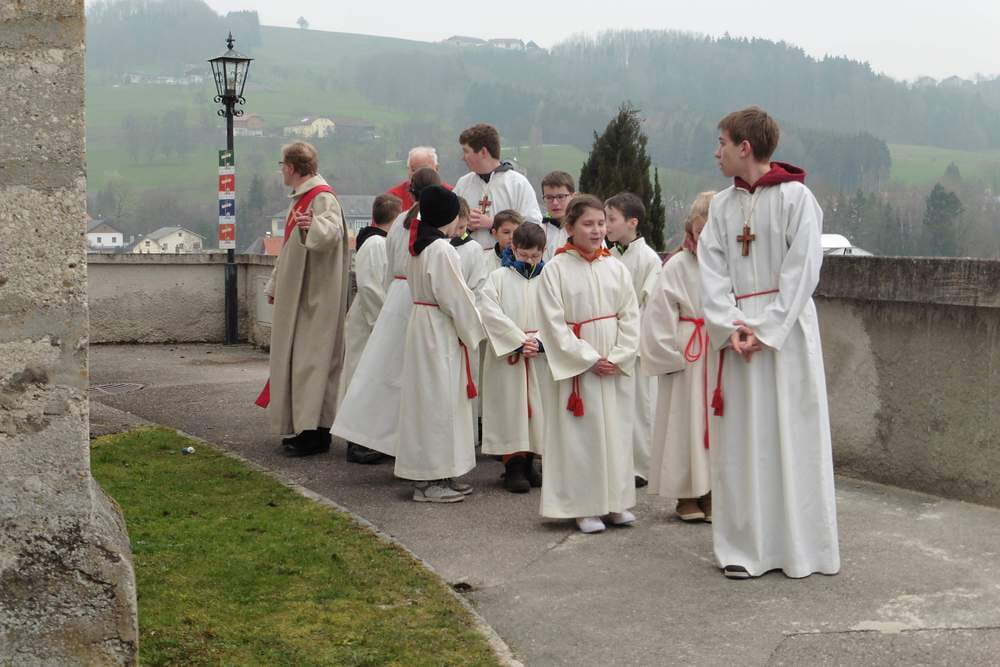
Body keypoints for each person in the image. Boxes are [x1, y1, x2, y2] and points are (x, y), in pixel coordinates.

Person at [699, 106, 839, 579]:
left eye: (721, 143)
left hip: (786, 336)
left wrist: (767, 329)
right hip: (738, 337)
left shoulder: (798, 198)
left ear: (745, 147)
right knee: (743, 444)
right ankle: (744, 548)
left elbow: (804, 270)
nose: (716, 152)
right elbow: (711, 271)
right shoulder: (721, 206)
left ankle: (802, 548)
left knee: (793, 437)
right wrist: (730, 325)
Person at [536, 194, 640, 533]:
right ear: (569, 227)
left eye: (601, 223)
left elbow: (630, 315)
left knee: (616, 434)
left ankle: (616, 502)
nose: (597, 230)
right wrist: (589, 358)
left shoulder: (616, 267)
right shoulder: (555, 270)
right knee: (582, 438)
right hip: (581, 367)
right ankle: (584, 506)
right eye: (588, 224)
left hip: (613, 363)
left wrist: (620, 355)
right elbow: (553, 325)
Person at [332, 168, 443, 458]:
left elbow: (389, 271)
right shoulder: (424, 225)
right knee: (378, 377)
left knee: (386, 377)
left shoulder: (400, 224)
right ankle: (364, 439)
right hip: (411, 299)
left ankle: (385, 438)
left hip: (397, 296)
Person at [258, 141, 349, 457]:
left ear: (291, 167)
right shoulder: (301, 197)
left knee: (313, 362)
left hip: (316, 295)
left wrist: (316, 226)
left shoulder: (321, 197)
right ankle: (304, 428)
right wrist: (275, 286)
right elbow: (288, 248)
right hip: (301, 293)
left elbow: (332, 233)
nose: (281, 171)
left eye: (282, 165)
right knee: (302, 362)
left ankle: (316, 432)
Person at [395, 185, 485, 502]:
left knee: (433, 400)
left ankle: (443, 471)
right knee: (437, 402)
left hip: (424, 325)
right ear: (449, 216)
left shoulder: (418, 245)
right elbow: (455, 298)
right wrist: (473, 329)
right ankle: (429, 479)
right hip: (438, 329)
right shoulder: (442, 250)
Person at [640, 192, 716, 522]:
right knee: (685, 422)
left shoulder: (730, 267)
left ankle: (714, 491)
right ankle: (686, 494)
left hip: (720, 351)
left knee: (717, 423)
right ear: (691, 229)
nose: (704, 239)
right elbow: (658, 312)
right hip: (688, 352)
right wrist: (669, 355)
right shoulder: (677, 265)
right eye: (699, 232)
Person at [478, 223, 551, 493]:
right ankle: (513, 466)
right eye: (524, 255)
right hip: (509, 355)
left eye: (535, 256)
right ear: (514, 249)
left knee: (538, 409)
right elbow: (489, 312)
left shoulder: (550, 279)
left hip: (538, 355)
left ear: (543, 251)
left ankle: (530, 461)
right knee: (511, 409)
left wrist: (540, 341)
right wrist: (518, 341)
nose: (530, 261)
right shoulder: (498, 277)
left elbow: (559, 314)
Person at [338, 193, 402, 464]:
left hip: (374, 321)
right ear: (395, 218)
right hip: (369, 323)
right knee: (362, 381)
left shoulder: (380, 243)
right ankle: (358, 443)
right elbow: (370, 287)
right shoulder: (375, 244)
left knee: (373, 383)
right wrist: (383, 324)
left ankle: (371, 439)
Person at [605, 192, 662, 488]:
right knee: (616, 407)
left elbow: (649, 305)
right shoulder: (608, 256)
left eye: (611, 219)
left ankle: (642, 465)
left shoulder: (648, 259)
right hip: (609, 342)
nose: (606, 225)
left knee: (640, 407)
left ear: (632, 222)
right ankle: (618, 462)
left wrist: (627, 337)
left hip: (635, 345)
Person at [452, 123, 542, 248]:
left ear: (483, 152)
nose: (463, 158)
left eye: (466, 151)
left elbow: (533, 227)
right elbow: (447, 226)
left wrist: (494, 224)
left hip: (505, 257)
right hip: (467, 257)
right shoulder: (463, 184)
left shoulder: (517, 183)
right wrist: (465, 224)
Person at [540, 171, 574, 261]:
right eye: (549, 197)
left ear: (572, 196)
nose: (555, 203)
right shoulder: (537, 231)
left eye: (560, 197)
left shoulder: (585, 230)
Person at [483, 209, 522, 274]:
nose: (512, 237)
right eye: (506, 232)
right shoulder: (484, 260)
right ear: (495, 233)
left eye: (516, 232)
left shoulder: (528, 260)